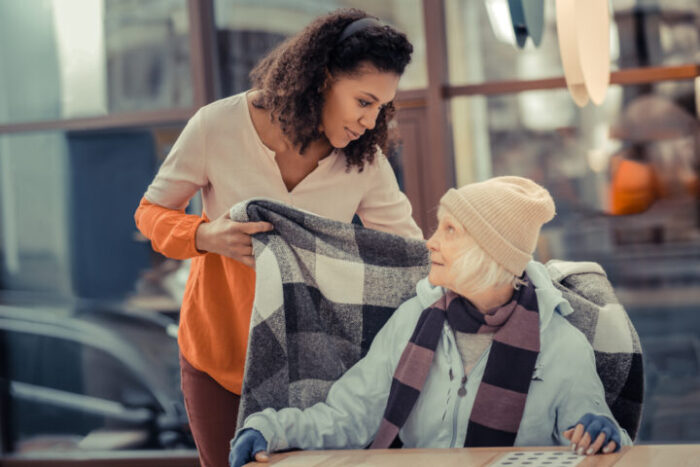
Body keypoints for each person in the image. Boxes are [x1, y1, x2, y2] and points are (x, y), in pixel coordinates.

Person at [134, 9, 422, 467]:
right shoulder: (217, 126)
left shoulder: (365, 163)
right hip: (217, 356)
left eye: (382, 108)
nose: (371, 122)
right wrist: (206, 235)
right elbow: (150, 214)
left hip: (312, 367)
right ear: (323, 76)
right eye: (364, 101)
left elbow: (408, 256)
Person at [229, 177, 632, 467]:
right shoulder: (413, 321)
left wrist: (600, 432)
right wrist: (269, 428)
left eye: (450, 230)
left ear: (489, 253)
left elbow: (590, 437)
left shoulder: (560, 343)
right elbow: (349, 418)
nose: (430, 241)